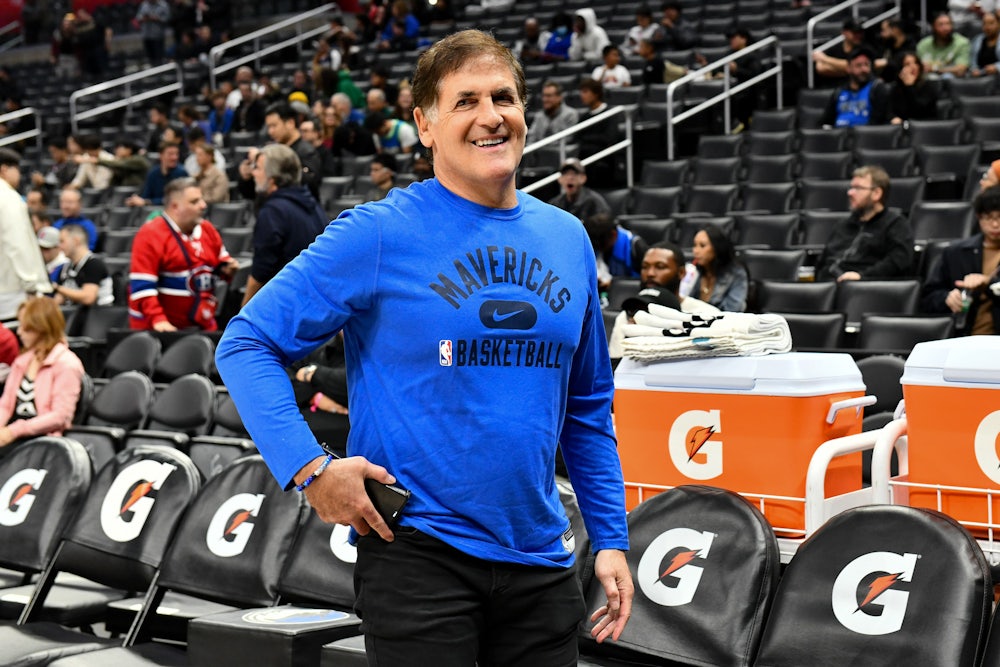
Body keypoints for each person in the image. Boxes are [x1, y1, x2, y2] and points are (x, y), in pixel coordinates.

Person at [216, 29, 632, 664]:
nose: (491, 116)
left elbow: (587, 406)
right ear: (425, 125)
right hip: (420, 563)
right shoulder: (378, 233)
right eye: (465, 101)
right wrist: (311, 469)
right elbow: (246, 343)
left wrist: (609, 536)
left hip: (543, 561)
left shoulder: (568, 237)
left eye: (504, 97)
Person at [128, 177, 239, 331]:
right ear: (175, 207)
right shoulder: (150, 234)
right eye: (194, 202)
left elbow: (221, 259)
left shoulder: (207, 229)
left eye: (202, 200)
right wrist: (158, 320)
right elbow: (142, 287)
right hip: (161, 330)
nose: (203, 205)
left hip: (202, 323)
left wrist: (228, 268)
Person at [243, 144, 327, 305]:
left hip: (286, 305)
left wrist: (243, 312)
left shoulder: (273, 212)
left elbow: (261, 271)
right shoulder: (313, 205)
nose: (253, 173)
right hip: (314, 302)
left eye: (258, 168)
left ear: (272, 179)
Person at [607, 242, 721, 360]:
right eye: (645, 267)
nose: (650, 273)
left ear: (681, 273)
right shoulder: (626, 316)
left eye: (660, 266)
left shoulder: (707, 315)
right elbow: (616, 365)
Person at [0, 297, 83, 456]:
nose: (19, 332)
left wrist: (13, 431)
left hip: (43, 440)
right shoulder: (22, 361)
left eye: (26, 328)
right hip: (14, 434)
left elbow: (60, 416)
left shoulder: (67, 364)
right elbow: (5, 404)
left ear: (42, 328)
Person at [921, 184, 1000, 335]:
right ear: (978, 217)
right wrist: (946, 298)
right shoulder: (955, 253)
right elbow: (927, 298)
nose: (995, 224)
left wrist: (989, 283)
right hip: (961, 337)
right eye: (988, 218)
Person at [817, 165, 914, 282]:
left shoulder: (895, 224)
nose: (850, 193)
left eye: (858, 188)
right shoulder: (842, 225)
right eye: (851, 187)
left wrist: (862, 277)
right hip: (828, 287)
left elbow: (897, 261)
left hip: (866, 289)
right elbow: (823, 261)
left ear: (877, 193)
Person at [0, 149, 50, 321]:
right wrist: (31, 285)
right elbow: (16, 243)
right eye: (17, 170)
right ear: (5, 169)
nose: (19, 175)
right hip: (12, 294)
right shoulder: (8, 198)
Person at [263, 101, 322, 198]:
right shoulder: (273, 151)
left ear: (290, 123)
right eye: (268, 127)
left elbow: (311, 184)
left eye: (274, 126)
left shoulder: (307, 152)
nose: (270, 131)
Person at [820, 47, 890, 128]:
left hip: (865, 136)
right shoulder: (839, 92)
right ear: (848, 69)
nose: (864, 69)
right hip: (839, 136)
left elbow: (878, 123)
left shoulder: (877, 88)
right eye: (858, 65)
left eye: (866, 64)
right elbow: (825, 121)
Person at [52, 223, 114, 308]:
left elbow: (88, 298)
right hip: (74, 316)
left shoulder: (94, 264)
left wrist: (58, 288)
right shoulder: (65, 267)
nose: (59, 246)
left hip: (98, 316)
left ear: (76, 241)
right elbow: (58, 300)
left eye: (62, 241)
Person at [584, 212, 648, 293]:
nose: (597, 249)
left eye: (600, 245)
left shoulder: (635, 246)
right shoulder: (596, 244)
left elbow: (646, 280)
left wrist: (614, 283)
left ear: (613, 235)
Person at [126, 142, 188, 207]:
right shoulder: (153, 173)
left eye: (176, 154)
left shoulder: (182, 173)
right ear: (161, 155)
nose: (174, 157)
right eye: (170, 154)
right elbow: (146, 195)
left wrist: (148, 202)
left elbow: (175, 199)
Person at [813, 18, 869, 85]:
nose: (858, 35)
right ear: (844, 32)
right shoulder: (834, 47)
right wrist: (847, 71)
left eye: (860, 32)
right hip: (835, 86)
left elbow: (850, 67)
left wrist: (825, 59)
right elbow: (820, 68)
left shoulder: (865, 49)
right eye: (855, 32)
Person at [888, 52, 940, 124]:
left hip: (925, 126)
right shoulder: (895, 88)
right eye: (907, 64)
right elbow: (890, 111)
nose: (913, 67)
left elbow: (918, 111)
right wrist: (893, 118)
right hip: (902, 127)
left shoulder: (928, 86)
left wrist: (909, 87)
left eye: (916, 63)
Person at [917, 13, 971, 77]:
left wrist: (935, 69)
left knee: (947, 76)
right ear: (933, 27)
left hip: (951, 81)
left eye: (948, 24)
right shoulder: (923, 44)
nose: (946, 28)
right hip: (928, 80)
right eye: (941, 25)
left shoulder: (962, 43)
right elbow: (920, 67)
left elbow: (961, 70)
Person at [135, 0, 170, 66]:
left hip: (157, 36)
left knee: (159, 58)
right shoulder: (144, 4)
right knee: (150, 58)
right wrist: (143, 18)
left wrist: (157, 18)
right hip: (146, 35)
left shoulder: (163, 5)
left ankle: (160, 73)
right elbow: (138, 17)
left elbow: (167, 18)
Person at [969, 10, 1000, 77]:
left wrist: (997, 67)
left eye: (991, 23)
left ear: (998, 24)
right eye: (984, 24)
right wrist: (974, 69)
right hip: (980, 77)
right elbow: (972, 61)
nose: (987, 27)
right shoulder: (977, 40)